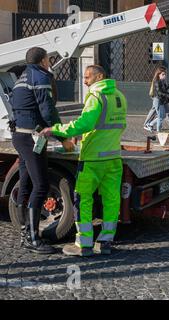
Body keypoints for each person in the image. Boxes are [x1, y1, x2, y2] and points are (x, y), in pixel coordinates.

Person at [41, 65, 127, 257]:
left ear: (100, 76)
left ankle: (84, 244)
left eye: (88, 77)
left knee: (83, 199)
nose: (85, 81)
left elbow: (85, 123)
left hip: (93, 159)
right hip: (113, 157)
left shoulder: (96, 96)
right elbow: (117, 125)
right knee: (112, 200)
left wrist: (56, 129)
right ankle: (105, 242)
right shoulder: (119, 96)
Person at [10, 47, 74, 254]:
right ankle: (33, 238)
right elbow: (48, 110)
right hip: (31, 137)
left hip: (21, 135)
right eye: (48, 59)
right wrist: (63, 138)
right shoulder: (39, 76)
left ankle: (25, 234)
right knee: (41, 184)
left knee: (27, 183)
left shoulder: (22, 76)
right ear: (44, 60)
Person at [144, 66, 169, 132]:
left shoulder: (162, 81)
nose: (164, 76)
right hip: (158, 99)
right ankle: (153, 127)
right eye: (163, 74)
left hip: (162, 99)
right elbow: (159, 92)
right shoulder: (157, 81)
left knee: (166, 113)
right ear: (158, 74)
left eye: (165, 74)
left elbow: (163, 89)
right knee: (161, 116)